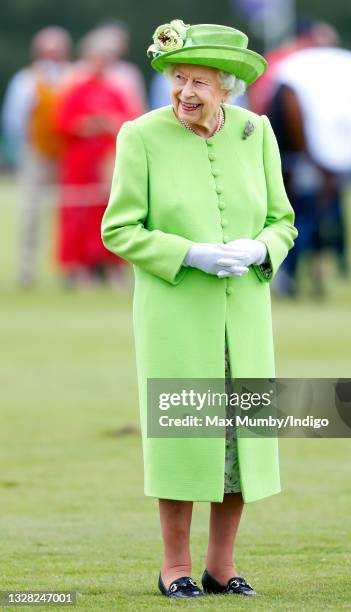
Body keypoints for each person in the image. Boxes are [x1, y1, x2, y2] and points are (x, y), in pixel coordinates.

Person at [101, 20, 298, 599]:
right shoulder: (140, 135)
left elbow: (282, 219)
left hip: (247, 317)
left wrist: (263, 247)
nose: (186, 92)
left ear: (227, 88)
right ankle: (174, 567)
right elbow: (118, 228)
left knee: (240, 441)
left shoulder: (255, 131)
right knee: (186, 435)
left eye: (201, 83)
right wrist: (190, 253)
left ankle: (221, 567)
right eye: (179, 78)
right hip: (177, 316)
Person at [55, 32, 141, 286]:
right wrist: (88, 125)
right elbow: (63, 123)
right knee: (77, 215)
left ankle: (110, 266)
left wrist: (110, 124)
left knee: (110, 212)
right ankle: (78, 269)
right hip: (80, 163)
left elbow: (130, 122)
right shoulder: (75, 89)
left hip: (107, 162)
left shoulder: (116, 91)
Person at [1, 26, 71, 287]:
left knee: (69, 212)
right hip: (35, 152)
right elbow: (14, 119)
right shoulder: (26, 79)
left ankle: (68, 270)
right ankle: (26, 270)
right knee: (30, 213)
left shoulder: (71, 76)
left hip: (66, 153)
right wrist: (18, 152)